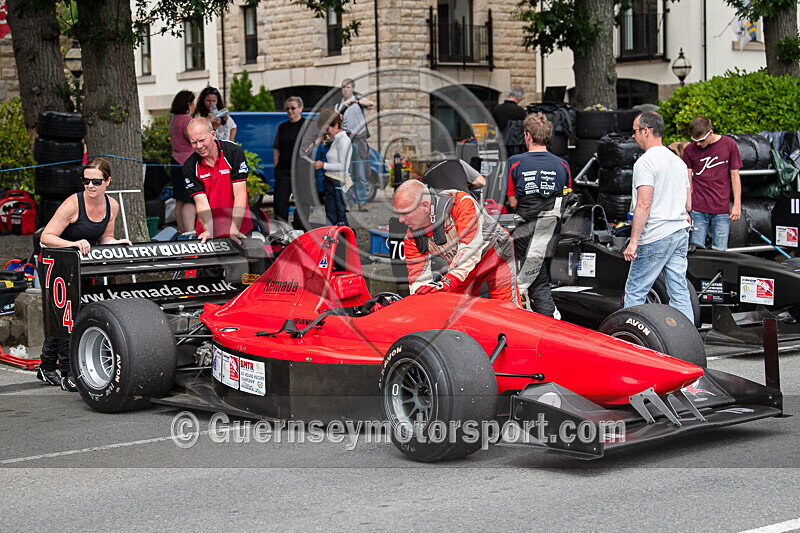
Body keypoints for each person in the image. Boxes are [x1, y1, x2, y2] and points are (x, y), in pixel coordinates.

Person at [38, 157, 132, 391]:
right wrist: (72, 243)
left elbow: (104, 237)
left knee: (82, 312)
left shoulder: (112, 205)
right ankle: (56, 368)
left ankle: (50, 366)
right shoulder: (73, 203)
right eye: (86, 181)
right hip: (57, 261)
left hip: (83, 263)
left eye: (96, 182)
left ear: (107, 181)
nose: (90, 186)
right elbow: (45, 237)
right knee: (63, 316)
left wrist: (116, 242)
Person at [394, 179, 519, 303]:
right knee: (455, 310)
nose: (400, 220)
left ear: (425, 206)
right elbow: (418, 281)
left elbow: (470, 249)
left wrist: (448, 281)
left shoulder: (460, 203)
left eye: (405, 213)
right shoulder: (411, 237)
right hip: (461, 264)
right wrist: (420, 301)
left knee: (508, 309)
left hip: (494, 257)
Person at [623, 111, 694, 322]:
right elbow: (688, 204)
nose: (633, 136)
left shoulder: (645, 162)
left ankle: (630, 341)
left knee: (635, 289)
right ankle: (688, 342)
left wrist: (633, 241)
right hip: (679, 231)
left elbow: (644, 203)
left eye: (635, 131)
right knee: (679, 290)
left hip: (655, 234)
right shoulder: (678, 162)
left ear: (646, 131)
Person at [507, 113, 572, 316]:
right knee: (539, 275)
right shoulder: (563, 165)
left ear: (527, 135)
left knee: (533, 280)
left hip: (526, 231)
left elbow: (513, 201)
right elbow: (566, 196)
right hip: (552, 231)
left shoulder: (515, 162)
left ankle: (548, 320)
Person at [183, 117, 253, 244]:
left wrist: (235, 226)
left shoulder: (233, 152)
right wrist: (208, 230)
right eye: (193, 142)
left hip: (238, 227)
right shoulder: (190, 165)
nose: (199, 146)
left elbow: (240, 194)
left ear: (213, 135)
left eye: (202, 140)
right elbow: (201, 202)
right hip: (209, 231)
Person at [682, 116, 742, 250]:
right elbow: (687, 180)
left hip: (721, 207)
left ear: (711, 133)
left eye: (701, 140)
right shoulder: (690, 150)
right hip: (698, 207)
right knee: (696, 250)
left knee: (720, 251)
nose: (698, 144)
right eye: (695, 140)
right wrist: (686, 209)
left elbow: (735, 176)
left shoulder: (729, 145)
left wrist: (737, 204)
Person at [334, 78, 374, 212]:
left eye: (348, 87)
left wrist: (355, 101)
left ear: (352, 89)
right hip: (346, 142)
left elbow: (371, 103)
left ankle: (362, 202)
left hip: (358, 141)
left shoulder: (359, 100)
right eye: (343, 87)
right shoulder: (338, 105)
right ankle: (348, 203)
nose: (345, 90)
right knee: (348, 174)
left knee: (361, 175)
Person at [272, 96, 307, 223]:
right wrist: (276, 166)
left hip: (302, 169)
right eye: (287, 109)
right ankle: (281, 227)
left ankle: (300, 226)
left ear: (301, 108)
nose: (290, 111)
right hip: (284, 169)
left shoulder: (307, 125)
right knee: (280, 200)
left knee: (303, 200)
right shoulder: (282, 127)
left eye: (293, 108)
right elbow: (276, 148)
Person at [314, 110, 351, 226]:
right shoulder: (335, 140)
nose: (325, 132)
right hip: (330, 181)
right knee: (330, 215)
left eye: (327, 129)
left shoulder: (344, 141)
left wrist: (323, 165)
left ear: (336, 125)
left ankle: (347, 241)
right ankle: (333, 241)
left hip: (338, 183)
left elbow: (343, 166)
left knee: (340, 216)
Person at [168, 90, 197, 233]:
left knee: (179, 198)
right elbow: (193, 139)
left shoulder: (174, 119)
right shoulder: (186, 120)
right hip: (187, 162)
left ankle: (181, 230)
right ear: (188, 103)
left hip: (175, 161)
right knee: (189, 199)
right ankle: (190, 232)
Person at [420, 151, 486, 192]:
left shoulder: (426, 175)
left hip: (444, 209)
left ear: (429, 165)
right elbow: (481, 182)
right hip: (464, 203)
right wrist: (465, 188)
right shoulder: (458, 163)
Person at [492, 85, 526, 156]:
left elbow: (492, 126)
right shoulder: (520, 111)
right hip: (515, 147)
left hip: (500, 145)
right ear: (520, 97)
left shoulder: (497, 109)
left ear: (509, 95)